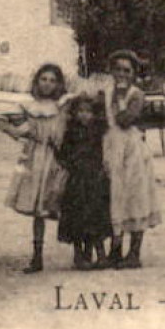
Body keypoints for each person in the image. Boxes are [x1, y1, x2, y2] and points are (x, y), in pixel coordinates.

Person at [0, 62, 70, 273]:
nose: (48, 84)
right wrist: (20, 132)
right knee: (39, 209)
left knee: (65, 202)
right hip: (35, 159)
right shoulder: (28, 106)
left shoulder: (62, 106)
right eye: (43, 79)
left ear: (59, 84)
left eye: (53, 80)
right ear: (36, 81)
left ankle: (82, 251)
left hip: (58, 158)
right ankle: (37, 256)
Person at [100, 49, 162, 268]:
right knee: (114, 196)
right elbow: (100, 117)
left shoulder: (135, 94)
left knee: (134, 196)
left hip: (131, 150)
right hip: (110, 146)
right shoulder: (105, 92)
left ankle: (134, 253)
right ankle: (115, 250)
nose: (121, 74)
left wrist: (119, 97)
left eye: (127, 70)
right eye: (117, 69)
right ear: (111, 70)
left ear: (134, 73)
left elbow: (125, 119)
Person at [55, 90, 111, 270]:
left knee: (96, 216)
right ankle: (79, 255)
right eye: (80, 111)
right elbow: (63, 153)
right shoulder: (70, 132)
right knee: (77, 217)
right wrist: (70, 163)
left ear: (94, 114)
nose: (84, 115)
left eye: (88, 111)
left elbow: (103, 151)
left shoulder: (97, 131)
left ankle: (100, 254)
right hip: (77, 181)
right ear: (74, 113)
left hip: (95, 179)